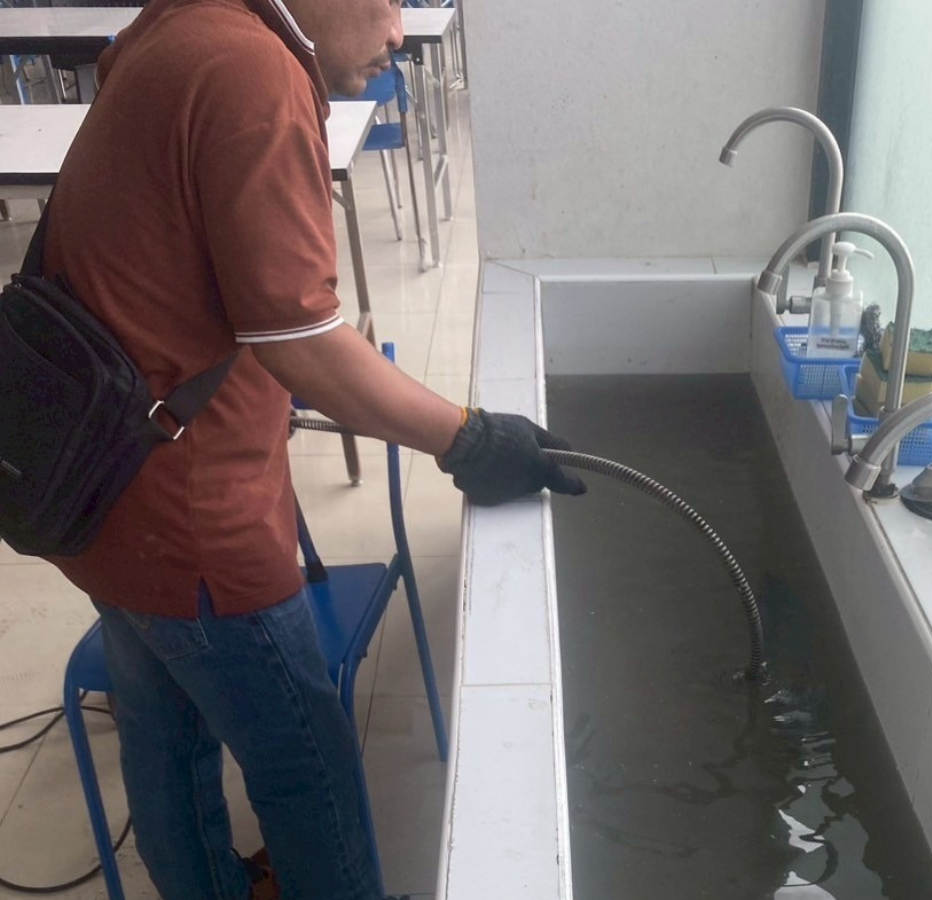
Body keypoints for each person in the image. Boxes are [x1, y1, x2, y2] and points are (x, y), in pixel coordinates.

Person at [39, 0, 586, 896]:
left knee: (166, 739)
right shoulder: (252, 70)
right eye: (389, 0)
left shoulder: (178, 26)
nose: (400, 33)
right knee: (307, 765)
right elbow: (303, 347)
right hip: (193, 525)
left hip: (99, 493)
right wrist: (469, 438)